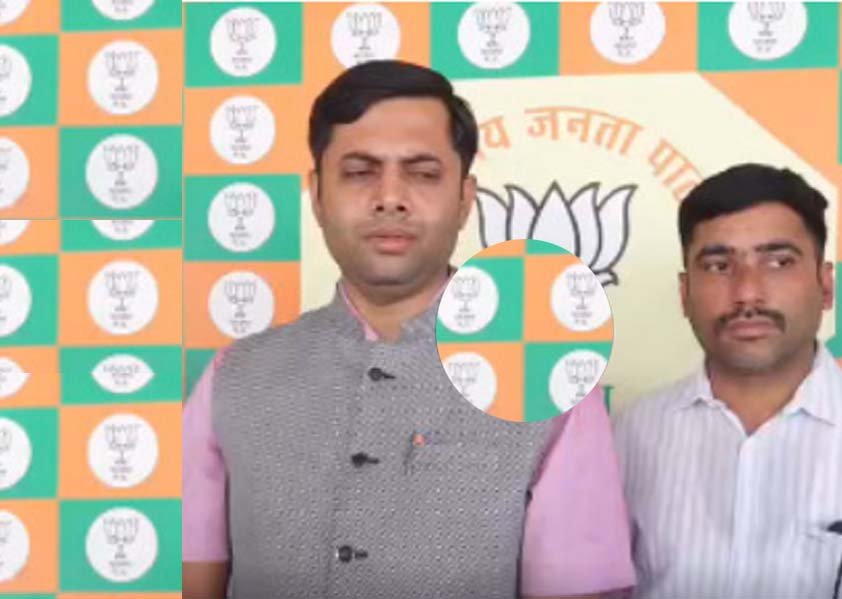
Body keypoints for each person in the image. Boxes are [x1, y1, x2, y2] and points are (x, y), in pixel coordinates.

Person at [182, 60, 635, 599]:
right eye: (359, 172)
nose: (390, 197)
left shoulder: (547, 374)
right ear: (317, 195)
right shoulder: (236, 375)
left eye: (422, 174)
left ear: (465, 199)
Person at [613, 163, 842, 598]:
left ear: (825, 285)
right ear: (684, 294)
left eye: (779, 262)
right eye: (718, 265)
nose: (747, 292)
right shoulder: (627, 439)